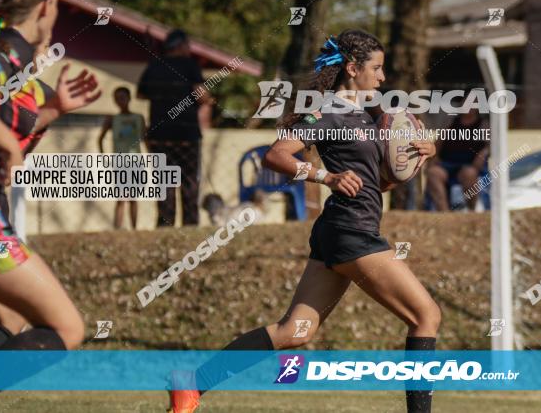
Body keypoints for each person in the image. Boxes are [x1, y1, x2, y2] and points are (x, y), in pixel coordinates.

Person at [167, 30, 438, 413]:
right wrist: (324, 177)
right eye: (376, 68)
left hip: (340, 230)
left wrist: (418, 157)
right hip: (351, 231)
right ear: (352, 68)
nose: (381, 77)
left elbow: (377, 185)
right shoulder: (327, 111)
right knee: (426, 315)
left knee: (295, 331)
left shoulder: (364, 116)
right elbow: (276, 155)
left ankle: (193, 383)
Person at [0, 0, 101, 412]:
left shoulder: (8, 51)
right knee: (66, 328)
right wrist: (12, 148)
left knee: (13, 314)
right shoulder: (11, 48)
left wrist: (54, 108)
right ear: (46, 5)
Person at [137, 30, 207, 227]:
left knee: (164, 182)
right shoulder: (190, 66)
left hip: (160, 135)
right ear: (181, 45)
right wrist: (207, 100)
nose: (190, 49)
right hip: (187, 135)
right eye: (188, 45)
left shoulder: (154, 66)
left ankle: (165, 225)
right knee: (188, 182)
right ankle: (190, 225)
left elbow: (141, 94)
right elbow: (201, 95)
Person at [97, 86, 146, 229]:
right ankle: (117, 230)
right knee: (120, 198)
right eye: (117, 98)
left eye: (123, 97)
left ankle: (133, 229)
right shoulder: (112, 119)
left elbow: (145, 139)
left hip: (136, 162)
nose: (120, 101)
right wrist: (104, 158)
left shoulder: (139, 118)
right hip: (119, 163)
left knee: (133, 198)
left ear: (129, 98)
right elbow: (100, 139)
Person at [425, 107, 489, 210]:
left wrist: (483, 154)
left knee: (469, 174)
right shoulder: (451, 121)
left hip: (469, 165)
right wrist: (433, 157)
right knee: (433, 173)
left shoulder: (483, 124)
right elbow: (438, 143)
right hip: (446, 163)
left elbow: (488, 147)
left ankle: (473, 211)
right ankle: (444, 214)